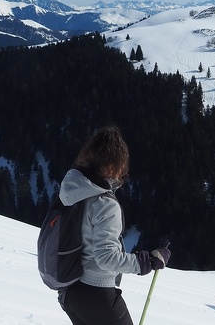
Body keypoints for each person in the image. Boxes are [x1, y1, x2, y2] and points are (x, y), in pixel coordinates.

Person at [57, 125, 171, 325]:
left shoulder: (73, 189)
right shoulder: (104, 203)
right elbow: (105, 257)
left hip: (70, 289)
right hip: (96, 291)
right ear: (115, 166)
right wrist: (143, 263)